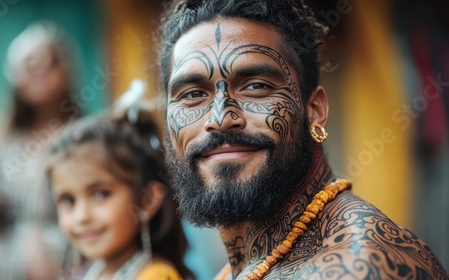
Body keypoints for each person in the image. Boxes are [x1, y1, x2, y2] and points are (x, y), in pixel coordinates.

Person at [157, 0, 449, 279]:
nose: (220, 118)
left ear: (315, 110)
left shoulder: (361, 267)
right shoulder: (250, 263)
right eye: (193, 94)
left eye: (256, 86)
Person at [0, 22, 80, 280]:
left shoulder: (86, 138)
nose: (40, 70)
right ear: (14, 75)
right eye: (30, 64)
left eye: (49, 62)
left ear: (66, 70)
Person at [46, 104, 193, 279]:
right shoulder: (90, 273)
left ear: (147, 200)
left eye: (101, 194)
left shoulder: (157, 276)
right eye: (68, 201)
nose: (82, 216)